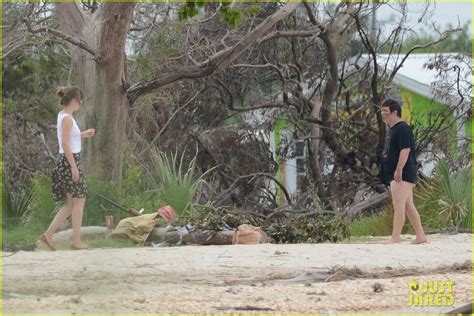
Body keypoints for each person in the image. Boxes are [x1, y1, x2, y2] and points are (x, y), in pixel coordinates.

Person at [40, 86, 95, 250]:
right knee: (79, 201)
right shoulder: (67, 119)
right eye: (80, 100)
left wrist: (83, 134)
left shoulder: (64, 115)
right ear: (73, 101)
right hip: (69, 161)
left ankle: (48, 235)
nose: (81, 103)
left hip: (68, 160)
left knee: (71, 204)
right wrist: (73, 167)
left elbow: (68, 137)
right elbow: (64, 143)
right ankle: (76, 241)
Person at [380, 98, 427, 244]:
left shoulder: (402, 128)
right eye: (381, 111)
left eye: (385, 111)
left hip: (403, 173)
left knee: (398, 205)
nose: (382, 114)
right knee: (408, 206)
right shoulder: (393, 130)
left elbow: (405, 150)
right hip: (397, 172)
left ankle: (395, 237)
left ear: (395, 112)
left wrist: (399, 169)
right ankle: (421, 236)